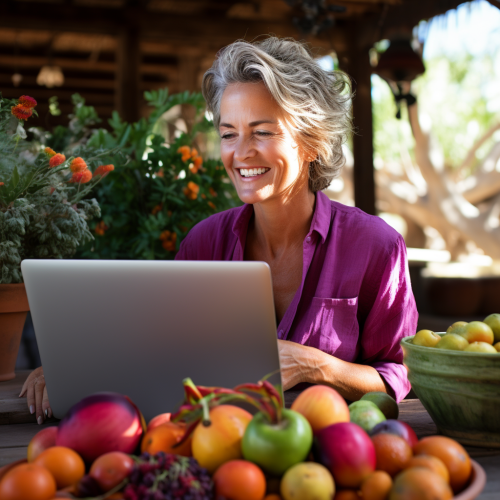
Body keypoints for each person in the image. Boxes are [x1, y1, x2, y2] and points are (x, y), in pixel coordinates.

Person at [21, 37, 418, 424]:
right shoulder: (204, 243)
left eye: (262, 131)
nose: (240, 152)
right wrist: (76, 370)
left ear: (311, 142)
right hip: (217, 449)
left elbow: (397, 376)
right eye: (229, 133)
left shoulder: (375, 247)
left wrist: (314, 364)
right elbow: (161, 351)